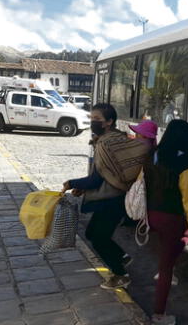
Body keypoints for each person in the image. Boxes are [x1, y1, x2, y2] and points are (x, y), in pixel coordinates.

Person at [62, 103, 148, 289]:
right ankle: (121, 257)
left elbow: (95, 179)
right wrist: (82, 187)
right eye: (91, 119)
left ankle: (121, 275)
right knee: (93, 233)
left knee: (98, 238)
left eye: (97, 120)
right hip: (116, 197)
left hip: (111, 200)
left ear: (109, 122)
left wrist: (72, 183)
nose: (93, 122)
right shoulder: (117, 138)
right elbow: (103, 175)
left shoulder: (105, 144)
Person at [143, 119, 188, 325]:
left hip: (151, 214)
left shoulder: (154, 154)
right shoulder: (186, 162)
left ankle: (164, 268)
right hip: (171, 218)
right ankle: (159, 315)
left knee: (173, 246)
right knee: (168, 264)